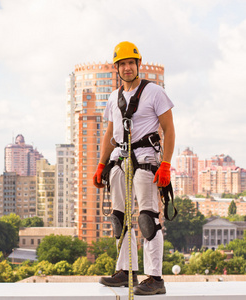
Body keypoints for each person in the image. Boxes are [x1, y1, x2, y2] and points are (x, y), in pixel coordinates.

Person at [93, 41, 175, 295]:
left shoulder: (154, 92)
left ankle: (155, 278)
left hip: (146, 159)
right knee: (120, 217)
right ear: (116, 68)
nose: (127, 68)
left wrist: (166, 164)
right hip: (119, 161)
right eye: (122, 64)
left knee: (147, 219)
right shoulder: (113, 97)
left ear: (138, 64)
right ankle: (126, 270)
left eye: (131, 63)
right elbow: (109, 133)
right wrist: (101, 164)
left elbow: (169, 129)